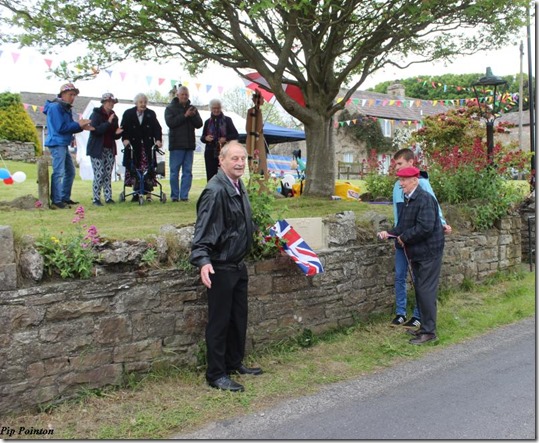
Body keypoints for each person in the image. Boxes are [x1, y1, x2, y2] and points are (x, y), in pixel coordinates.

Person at [189, 141, 262, 392]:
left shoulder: (237, 185)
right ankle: (216, 374)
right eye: (234, 158)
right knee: (219, 322)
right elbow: (203, 233)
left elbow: (238, 223)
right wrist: (203, 261)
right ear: (221, 161)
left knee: (237, 319)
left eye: (243, 158)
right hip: (220, 267)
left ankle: (233, 362)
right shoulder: (215, 190)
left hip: (237, 265)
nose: (240, 163)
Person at [378, 166, 445, 345]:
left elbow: (426, 227)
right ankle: (424, 328)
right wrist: (390, 233)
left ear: (415, 180)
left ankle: (429, 332)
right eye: (400, 180)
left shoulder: (425, 199)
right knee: (421, 290)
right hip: (418, 252)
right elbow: (403, 225)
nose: (401, 184)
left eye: (404, 180)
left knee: (426, 291)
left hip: (430, 253)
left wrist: (404, 237)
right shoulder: (409, 199)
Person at [389, 148, 451, 329]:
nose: (397, 168)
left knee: (420, 281)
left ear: (411, 163)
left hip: (415, 240)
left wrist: (442, 223)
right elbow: (399, 214)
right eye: (395, 165)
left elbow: (432, 209)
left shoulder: (422, 185)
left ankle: (419, 317)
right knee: (400, 275)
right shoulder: (398, 186)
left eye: (400, 164)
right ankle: (400, 313)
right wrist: (395, 234)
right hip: (402, 237)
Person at [43, 82, 93, 209]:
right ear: (63, 94)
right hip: (57, 142)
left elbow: (70, 127)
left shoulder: (65, 107)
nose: (73, 97)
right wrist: (79, 124)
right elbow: (61, 128)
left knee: (70, 172)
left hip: (63, 143)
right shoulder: (55, 107)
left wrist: (82, 127)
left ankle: (64, 198)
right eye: (71, 94)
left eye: (74, 95)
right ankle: (56, 200)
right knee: (59, 172)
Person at [120, 93, 163, 202]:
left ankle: (148, 194)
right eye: (141, 102)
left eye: (145, 102)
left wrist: (158, 140)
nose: (143, 104)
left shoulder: (150, 114)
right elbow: (123, 128)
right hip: (133, 147)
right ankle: (136, 193)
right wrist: (125, 139)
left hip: (147, 146)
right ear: (136, 103)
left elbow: (157, 128)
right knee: (134, 168)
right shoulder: (128, 113)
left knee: (148, 169)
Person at [165, 86, 203, 202]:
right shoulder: (170, 108)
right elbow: (171, 123)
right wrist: (185, 115)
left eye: (186, 95)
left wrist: (192, 116)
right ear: (178, 95)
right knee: (174, 172)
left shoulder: (193, 109)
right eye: (182, 95)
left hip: (189, 145)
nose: (185, 97)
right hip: (176, 145)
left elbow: (199, 124)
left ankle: (184, 195)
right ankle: (175, 196)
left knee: (187, 172)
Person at [86, 93, 123, 206]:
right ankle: (96, 199)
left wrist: (118, 133)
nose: (111, 104)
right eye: (108, 102)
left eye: (112, 102)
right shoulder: (96, 114)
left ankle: (108, 197)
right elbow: (96, 131)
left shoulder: (114, 116)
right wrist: (108, 123)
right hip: (97, 149)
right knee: (99, 173)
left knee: (107, 173)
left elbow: (114, 135)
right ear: (103, 103)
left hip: (109, 148)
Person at [200, 98, 239, 181]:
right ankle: (212, 193)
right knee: (211, 176)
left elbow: (235, 135)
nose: (216, 110)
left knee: (225, 175)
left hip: (224, 152)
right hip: (210, 152)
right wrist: (206, 138)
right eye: (214, 108)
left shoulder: (227, 120)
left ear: (221, 108)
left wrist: (225, 138)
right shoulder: (207, 122)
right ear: (211, 109)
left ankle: (224, 192)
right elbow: (202, 138)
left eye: (218, 108)